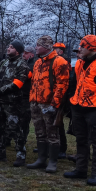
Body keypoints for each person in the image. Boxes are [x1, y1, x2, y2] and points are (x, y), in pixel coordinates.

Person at [64, 35, 96, 186]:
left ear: (92, 48)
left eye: (82, 46)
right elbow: (74, 83)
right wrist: (72, 100)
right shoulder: (80, 63)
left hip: (94, 109)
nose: (79, 49)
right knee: (81, 140)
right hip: (78, 107)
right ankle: (80, 169)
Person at [26, 36, 70, 173]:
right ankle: (41, 159)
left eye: (38, 45)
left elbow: (62, 85)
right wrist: (32, 100)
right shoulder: (38, 62)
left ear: (46, 47)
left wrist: (54, 105)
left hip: (49, 105)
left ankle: (52, 162)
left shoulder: (59, 61)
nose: (36, 48)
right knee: (39, 132)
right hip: (36, 103)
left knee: (52, 134)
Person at [0, 41, 30, 166]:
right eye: (9, 46)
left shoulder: (22, 65)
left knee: (15, 129)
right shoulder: (3, 62)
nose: (8, 48)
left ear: (17, 51)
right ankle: (0, 153)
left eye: (11, 47)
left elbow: (17, 84)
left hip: (13, 103)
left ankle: (20, 155)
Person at [53, 42, 71, 158]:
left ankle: (62, 148)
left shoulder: (64, 63)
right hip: (55, 96)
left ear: (61, 51)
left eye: (56, 49)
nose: (53, 51)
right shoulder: (54, 61)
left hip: (61, 97)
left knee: (58, 123)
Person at [22, 46, 36, 151]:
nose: (23, 55)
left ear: (32, 55)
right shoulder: (24, 64)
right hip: (21, 95)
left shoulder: (33, 65)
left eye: (26, 53)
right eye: (23, 53)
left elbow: (25, 77)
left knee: (25, 119)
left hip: (27, 96)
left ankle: (23, 140)